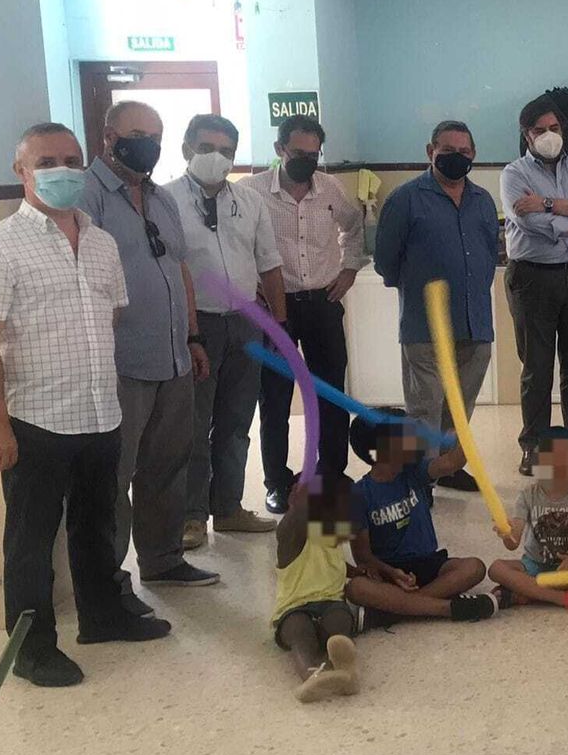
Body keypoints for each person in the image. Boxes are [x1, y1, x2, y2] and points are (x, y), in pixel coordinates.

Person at [0, 123, 170, 688]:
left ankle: (103, 616)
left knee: (94, 525)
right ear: (21, 172)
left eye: (71, 159)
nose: (62, 170)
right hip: (33, 420)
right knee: (31, 540)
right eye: (47, 161)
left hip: (100, 413)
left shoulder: (101, 242)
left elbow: (108, 319)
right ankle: (31, 650)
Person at [78, 101, 219, 603]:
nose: (149, 146)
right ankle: (107, 583)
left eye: (156, 136)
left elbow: (178, 269)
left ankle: (162, 560)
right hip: (119, 362)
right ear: (108, 138)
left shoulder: (160, 199)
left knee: (167, 463)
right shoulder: (86, 195)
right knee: (113, 476)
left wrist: (193, 336)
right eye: (138, 134)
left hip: (173, 357)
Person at [167, 114, 286, 549]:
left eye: (226, 151)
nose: (216, 158)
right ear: (186, 149)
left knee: (236, 422)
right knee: (194, 425)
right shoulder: (165, 201)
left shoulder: (250, 202)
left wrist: (280, 324)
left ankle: (230, 508)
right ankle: (192, 516)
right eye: (206, 148)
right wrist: (188, 331)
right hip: (194, 326)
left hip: (246, 324)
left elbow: (269, 264)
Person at [248, 115, 367, 513]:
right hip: (275, 309)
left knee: (330, 392)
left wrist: (349, 269)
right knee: (276, 398)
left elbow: (355, 226)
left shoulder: (331, 188)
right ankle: (277, 482)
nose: (308, 161)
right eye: (299, 153)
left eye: (314, 154)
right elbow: (237, 245)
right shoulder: (251, 193)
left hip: (322, 304)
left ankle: (330, 474)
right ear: (280, 149)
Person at [374, 120, 497, 492]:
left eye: (464, 152)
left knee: (459, 409)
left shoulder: (483, 201)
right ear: (430, 152)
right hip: (424, 328)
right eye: (447, 151)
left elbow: (489, 254)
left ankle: (446, 468)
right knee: (424, 411)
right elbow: (385, 262)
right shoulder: (405, 199)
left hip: (475, 323)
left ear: (473, 155)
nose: (456, 158)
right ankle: (418, 482)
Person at [500, 96, 568, 476]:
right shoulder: (513, 174)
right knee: (537, 368)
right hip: (533, 278)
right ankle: (535, 445)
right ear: (527, 135)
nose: (549, 136)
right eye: (540, 130)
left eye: (555, 128)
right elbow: (531, 225)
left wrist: (547, 203)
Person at [343, 410, 501, 624]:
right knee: (356, 588)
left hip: (428, 562)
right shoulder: (358, 494)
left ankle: (397, 610)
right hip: (390, 570)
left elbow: (452, 463)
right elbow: (363, 557)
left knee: (474, 567)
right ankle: (447, 608)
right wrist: (393, 572)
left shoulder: (414, 472)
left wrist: (462, 434)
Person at [490, 429, 568, 613]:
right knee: (496, 568)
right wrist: (506, 533)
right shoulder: (527, 496)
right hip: (533, 565)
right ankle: (563, 597)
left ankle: (526, 592)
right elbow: (513, 543)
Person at [271, 477, 360, 703]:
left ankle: (346, 670)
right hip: (295, 607)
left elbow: (334, 562)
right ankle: (312, 676)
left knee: (339, 623)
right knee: (300, 633)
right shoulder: (289, 536)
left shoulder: (331, 534)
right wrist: (301, 504)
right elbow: (294, 522)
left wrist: (358, 572)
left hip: (332, 602)